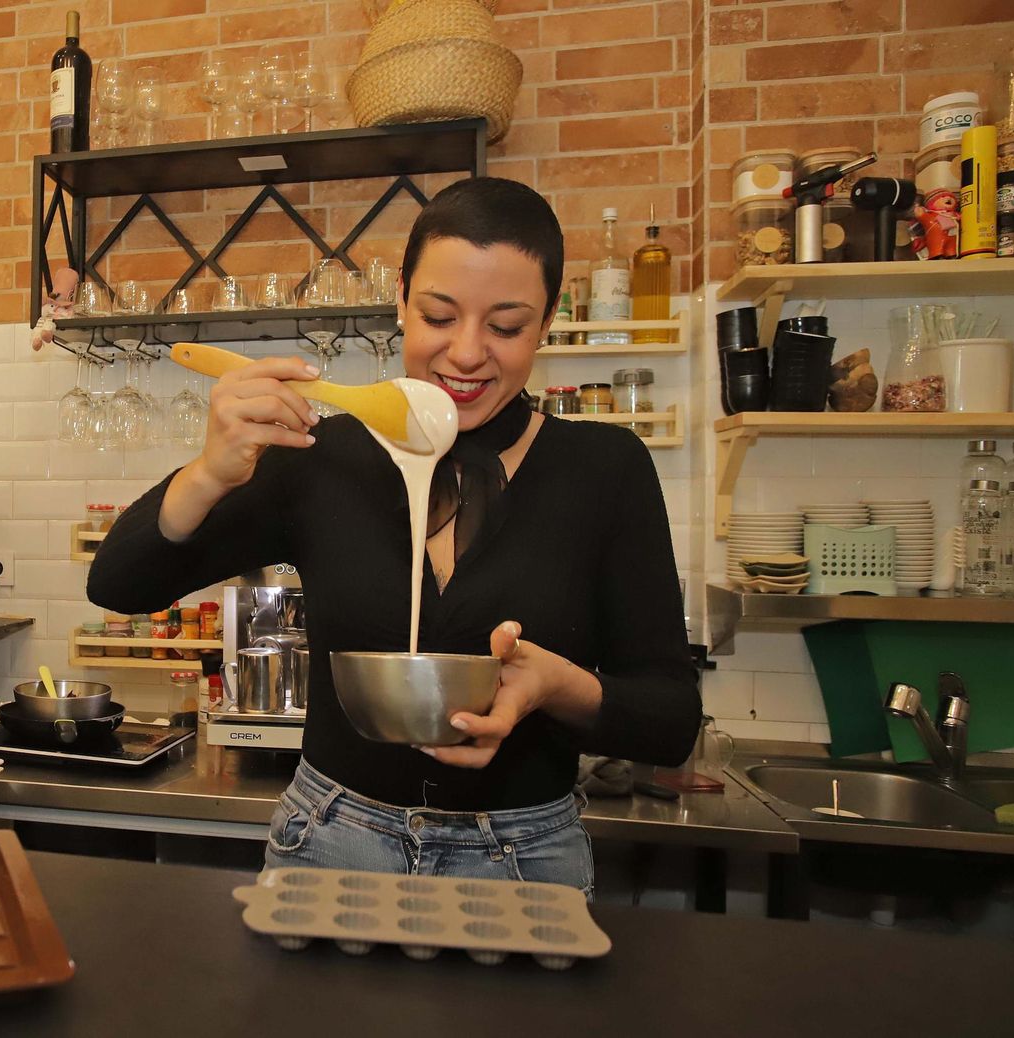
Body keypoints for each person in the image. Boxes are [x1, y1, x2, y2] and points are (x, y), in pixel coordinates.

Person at [87, 177, 700, 893]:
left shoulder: (605, 470)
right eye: (439, 315)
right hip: (332, 842)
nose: (467, 354)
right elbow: (120, 585)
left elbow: (669, 720)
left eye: (506, 326)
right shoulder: (323, 459)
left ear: (548, 323)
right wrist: (207, 472)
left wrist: (556, 687)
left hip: (524, 861)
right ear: (402, 298)